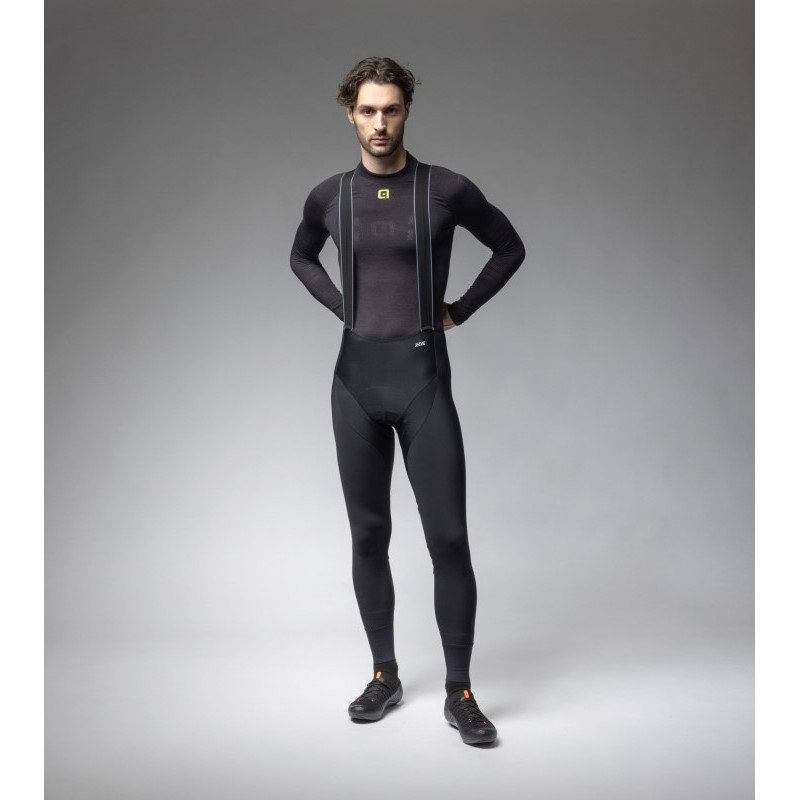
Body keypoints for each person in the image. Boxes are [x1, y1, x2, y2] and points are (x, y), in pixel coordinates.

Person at [289, 56, 525, 746]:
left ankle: (460, 691)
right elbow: (301, 256)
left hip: (423, 380)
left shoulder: (444, 189)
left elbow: (508, 248)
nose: (380, 123)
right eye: (367, 110)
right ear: (350, 114)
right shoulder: (329, 196)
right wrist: (344, 306)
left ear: (407, 111)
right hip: (355, 382)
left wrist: (459, 311)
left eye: (391, 109)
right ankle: (384, 675)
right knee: (369, 535)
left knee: (448, 539)